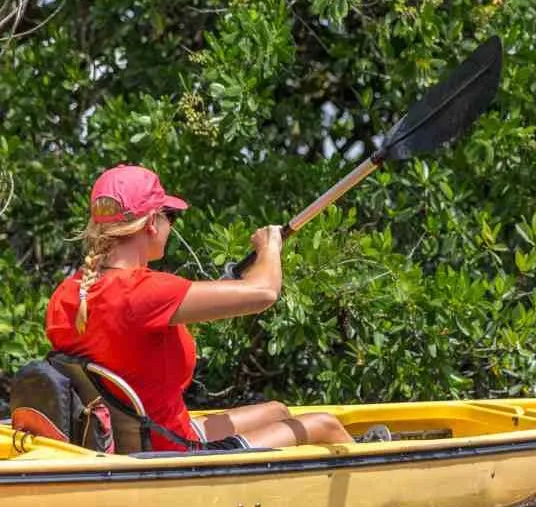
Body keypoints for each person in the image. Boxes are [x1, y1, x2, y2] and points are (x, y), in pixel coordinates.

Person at [45, 164, 355, 452]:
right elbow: (265, 292)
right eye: (170, 216)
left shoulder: (69, 293)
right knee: (324, 424)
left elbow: (130, 334)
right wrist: (270, 246)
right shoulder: (145, 291)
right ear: (152, 222)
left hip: (134, 438)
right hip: (173, 451)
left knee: (278, 411)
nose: (171, 225)